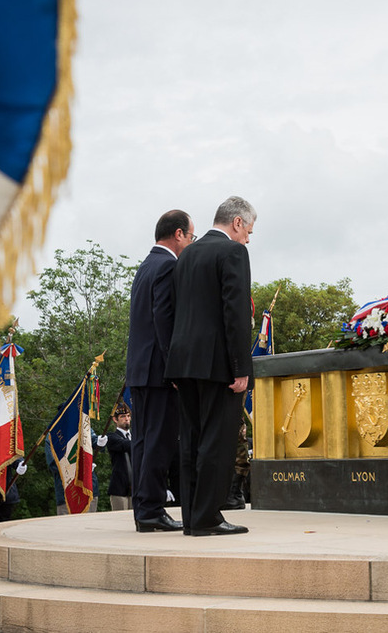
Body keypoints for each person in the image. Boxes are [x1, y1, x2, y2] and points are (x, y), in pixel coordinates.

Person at [165, 196, 255, 536]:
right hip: (218, 365)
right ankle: (207, 518)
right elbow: (235, 314)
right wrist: (241, 367)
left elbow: (176, 309)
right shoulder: (233, 252)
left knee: (190, 441)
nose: (248, 238)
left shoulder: (186, 254)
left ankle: (192, 516)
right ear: (236, 223)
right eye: (249, 230)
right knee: (217, 442)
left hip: (183, 361)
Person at [126, 209, 195, 533]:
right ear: (178, 234)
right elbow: (163, 320)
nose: (190, 243)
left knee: (142, 442)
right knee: (158, 441)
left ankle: (144, 509)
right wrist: (175, 368)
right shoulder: (168, 265)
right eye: (191, 236)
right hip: (158, 371)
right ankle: (152, 509)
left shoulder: (146, 265)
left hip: (140, 370)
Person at [106, 406, 133, 511]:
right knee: (120, 520)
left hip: (135, 488)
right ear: (115, 419)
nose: (126, 419)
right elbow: (126, 445)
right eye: (122, 416)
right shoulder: (112, 437)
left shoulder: (135, 436)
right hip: (119, 489)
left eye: (128, 416)